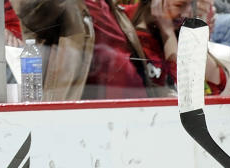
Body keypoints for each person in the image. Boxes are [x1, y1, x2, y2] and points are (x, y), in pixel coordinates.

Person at [11, 0, 169, 100]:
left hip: (136, 116)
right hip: (88, 121)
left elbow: (136, 69)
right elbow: (30, 11)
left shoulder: (114, 10)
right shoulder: (61, 7)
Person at [124, 0, 230, 95]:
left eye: (191, 4)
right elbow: (180, 90)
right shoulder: (139, 39)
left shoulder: (180, 29)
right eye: (180, 5)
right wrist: (167, 32)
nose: (186, 13)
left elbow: (218, 82)